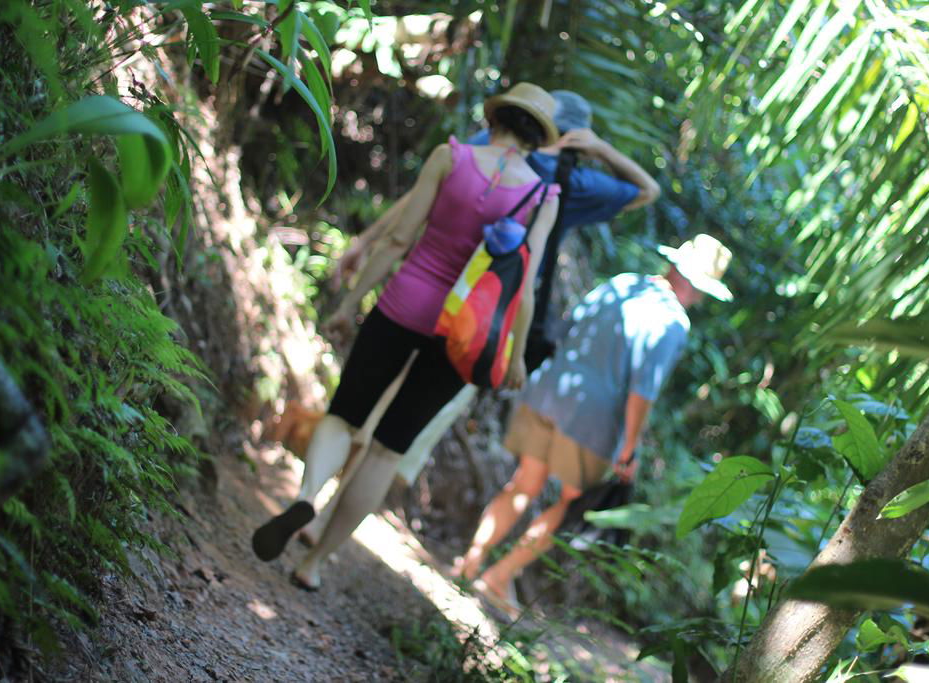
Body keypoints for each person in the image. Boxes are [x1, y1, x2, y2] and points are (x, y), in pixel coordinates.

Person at [251, 83, 562, 591]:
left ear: (498, 116)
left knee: (344, 417)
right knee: (386, 451)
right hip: (462, 336)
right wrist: (516, 357)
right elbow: (524, 290)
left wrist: (350, 304)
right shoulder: (543, 195)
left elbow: (399, 237)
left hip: (402, 307)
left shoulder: (452, 156)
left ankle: (308, 495)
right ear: (539, 138)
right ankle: (313, 564)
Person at [318, 90, 660, 503]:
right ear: (570, 135)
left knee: (361, 412)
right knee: (394, 441)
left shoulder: (486, 147)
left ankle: (319, 506)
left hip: (409, 302)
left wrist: (366, 241)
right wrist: (602, 149)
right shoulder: (572, 186)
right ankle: (332, 522)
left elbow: (415, 207)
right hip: (480, 327)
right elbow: (647, 191)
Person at [457, 234, 733, 616]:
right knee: (574, 504)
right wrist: (629, 448)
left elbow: (569, 328)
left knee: (523, 483)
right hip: (593, 420)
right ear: (697, 286)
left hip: (550, 390)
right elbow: (642, 391)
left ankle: (471, 561)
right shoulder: (673, 322)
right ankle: (498, 577)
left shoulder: (624, 282)